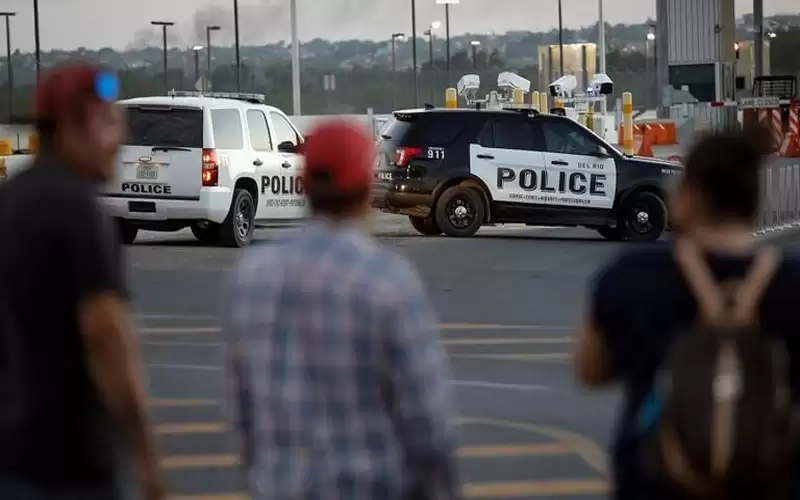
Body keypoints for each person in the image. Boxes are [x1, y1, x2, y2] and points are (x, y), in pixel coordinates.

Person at [224, 119, 460, 499]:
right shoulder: (387, 281)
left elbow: (243, 411)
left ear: (304, 186)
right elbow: (427, 423)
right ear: (366, 190)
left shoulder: (251, 278)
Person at [573, 128, 800, 499]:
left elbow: (589, 371)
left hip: (655, 482)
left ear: (691, 196)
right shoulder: (792, 283)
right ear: (754, 200)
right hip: (771, 482)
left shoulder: (632, 275)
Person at [0, 64, 165, 499]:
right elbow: (106, 335)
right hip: (68, 465)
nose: (119, 139)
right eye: (107, 122)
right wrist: (145, 456)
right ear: (71, 127)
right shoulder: (78, 211)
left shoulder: (9, 201)